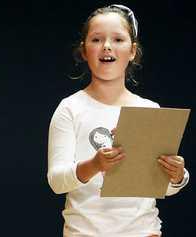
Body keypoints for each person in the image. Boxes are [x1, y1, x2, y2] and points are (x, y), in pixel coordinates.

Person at [47, 4, 189, 237]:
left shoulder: (149, 110)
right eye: (96, 39)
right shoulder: (70, 108)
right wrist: (95, 165)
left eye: (118, 39)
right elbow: (56, 181)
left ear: (132, 51)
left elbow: (158, 186)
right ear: (84, 50)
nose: (107, 47)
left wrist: (177, 176)